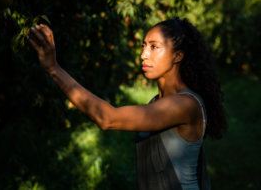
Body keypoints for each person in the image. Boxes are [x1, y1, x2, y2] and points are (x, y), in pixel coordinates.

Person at [27, 17, 227, 190]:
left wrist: (53, 68)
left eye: (154, 47)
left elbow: (107, 118)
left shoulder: (184, 105)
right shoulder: (157, 102)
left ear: (177, 55)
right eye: (143, 46)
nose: (143, 55)